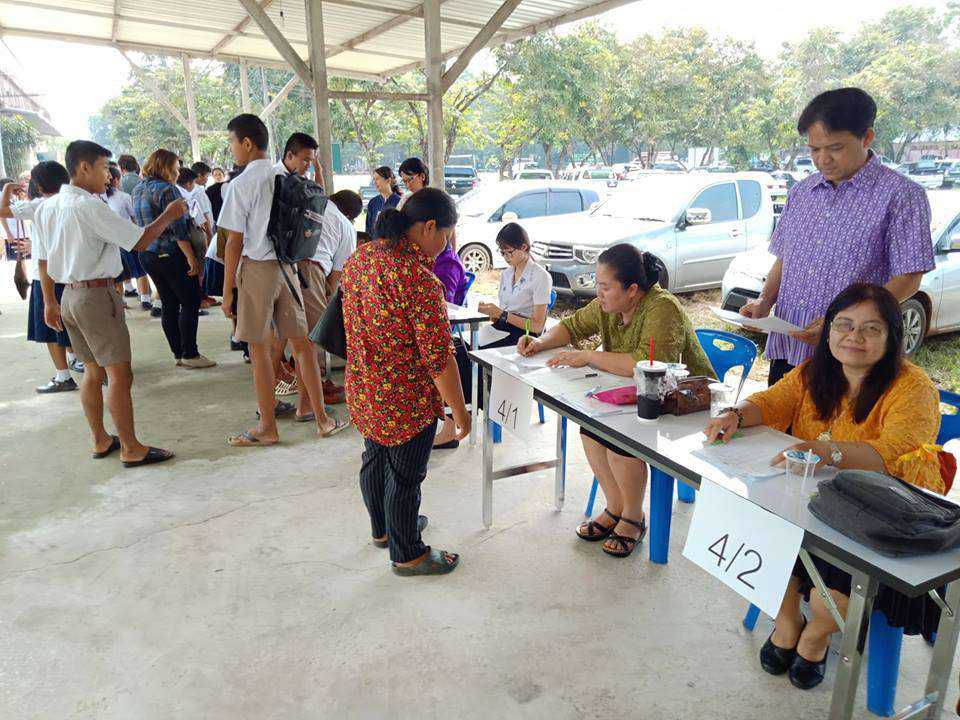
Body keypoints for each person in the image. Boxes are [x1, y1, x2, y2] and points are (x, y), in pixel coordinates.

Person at [705, 283, 944, 690]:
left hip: (877, 516)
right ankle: (787, 622)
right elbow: (772, 401)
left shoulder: (912, 387)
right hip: (806, 498)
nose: (854, 337)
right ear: (828, 329)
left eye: (871, 328)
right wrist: (736, 414)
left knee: (827, 598)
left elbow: (892, 452)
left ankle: (816, 635)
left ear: (892, 336)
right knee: (752, 529)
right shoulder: (815, 371)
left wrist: (826, 451)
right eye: (844, 324)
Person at [517, 244, 714, 558]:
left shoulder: (662, 307)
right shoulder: (607, 305)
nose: (599, 293)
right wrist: (539, 342)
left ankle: (634, 517)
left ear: (632, 290)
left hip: (683, 404)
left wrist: (588, 356)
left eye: (605, 287)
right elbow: (570, 327)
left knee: (620, 440)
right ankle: (616, 506)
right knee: (590, 429)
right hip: (632, 397)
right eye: (598, 284)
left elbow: (647, 365)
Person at [739, 88, 935, 386]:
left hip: (852, 355)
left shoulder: (901, 195)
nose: (822, 160)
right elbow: (785, 257)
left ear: (866, 138)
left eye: (835, 148)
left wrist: (843, 323)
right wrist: (765, 301)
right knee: (779, 416)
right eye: (814, 150)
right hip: (790, 347)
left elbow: (909, 277)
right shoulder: (802, 192)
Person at [34, 140, 188, 466]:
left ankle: (101, 438)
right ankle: (131, 447)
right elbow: (140, 241)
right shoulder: (88, 206)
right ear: (84, 167)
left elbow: (44, 260)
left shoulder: (49, 206)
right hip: (96, 296)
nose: (109, 175)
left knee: (92, 371)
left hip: (69, 296)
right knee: (119, 373)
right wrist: (169, 215)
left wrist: (49, 301)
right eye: (104, 167)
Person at [341, 188, 468, 576]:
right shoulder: (418, 280)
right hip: (404, 399)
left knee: (374, 459)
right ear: (429, 227)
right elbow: (439, 359)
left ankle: (384, 530)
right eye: (446, 235)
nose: (445, 245)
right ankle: (408, 553)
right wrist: (459, 412)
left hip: (364, 387)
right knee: (404, 478)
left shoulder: (361, 258)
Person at [219, 113, 349, 445]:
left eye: (232, 142)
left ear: (247, 143)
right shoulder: (288, 179)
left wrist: (228, 290)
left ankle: (267, 428)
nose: (232, 149)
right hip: (291, 270)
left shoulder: (241, 185)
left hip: (258, 270)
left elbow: (233, 242)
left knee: (260, 351)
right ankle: (322, 420)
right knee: (303, 346)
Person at [436, 223, 551, 448]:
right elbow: (502, 312)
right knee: (452, 347)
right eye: (502, 252)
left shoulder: (540, 276)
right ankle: (456, 416)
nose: (506, 257)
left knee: (465, 356)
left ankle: (460, 418)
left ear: (524, 247)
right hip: (501, 328)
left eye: (509, 252)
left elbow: (537, 326)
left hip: (523, 336)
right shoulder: (507, 274)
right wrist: (491, 312)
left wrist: (502, 315)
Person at [1, 162, 81, 391]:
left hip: (45, 276)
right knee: (73, 324)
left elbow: (2, 211)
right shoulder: (76, 202)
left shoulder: (37, 205)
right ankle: (81, 361)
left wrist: (7, 189)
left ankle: (63, 376)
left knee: (51, 329)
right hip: (73, 273)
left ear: (38, 185)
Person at [132, 149, 215, 370]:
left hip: (148, 254)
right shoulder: (168, 190)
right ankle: (190, 353)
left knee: (169, 303)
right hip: (172, 254)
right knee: (190, 301)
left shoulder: (138, 189)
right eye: (176, 168)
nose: (178, 172)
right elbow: (179, 230)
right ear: (166, 167)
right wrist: (192, 259)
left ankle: (178, 353)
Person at [365, 165, 401, 236]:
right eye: (374, 179)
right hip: (374, 242)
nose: (375, 182)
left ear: (388, 180)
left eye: (377, 179)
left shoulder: (399, 202)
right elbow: (368, 229)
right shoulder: (373, 202)